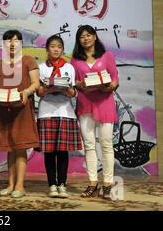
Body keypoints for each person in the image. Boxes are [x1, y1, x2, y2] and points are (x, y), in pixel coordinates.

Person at [70, 25, 119, 200]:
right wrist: (78, 85)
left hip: (105, 103)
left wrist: (111, 86)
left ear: (95, 37)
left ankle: (107, 184)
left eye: (89, 35)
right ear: (79, 40)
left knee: (106, 144)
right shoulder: (75, 60)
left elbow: (115, 79)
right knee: (89, 145)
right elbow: (73, 81)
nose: (86, 38)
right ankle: (92, 183)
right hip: (85, 104)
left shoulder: (107, 56)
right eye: (82, 36)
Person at [0, 30, 40, 198]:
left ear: (21, 43)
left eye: (15, 41)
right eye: (8, 41)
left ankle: (20, 185)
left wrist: (26, 92)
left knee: (20, 148)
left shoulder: (28, 60)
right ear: (4, 44)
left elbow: (35, 83)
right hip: (5, 110)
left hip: (22, 109)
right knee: (10, 148)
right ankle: (10, 184)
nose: (12, 44)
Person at [36, 35, 82, 198]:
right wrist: (50, 88)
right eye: (53, 46)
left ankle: (62, 184)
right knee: (49, 152)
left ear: (62, 50)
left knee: (63, 151)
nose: (56, 49)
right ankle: (52, 185)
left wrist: (65, 90)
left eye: (59, 46)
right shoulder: (41, 68)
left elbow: (73, 92)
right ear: (47, 48)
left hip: (65, 111)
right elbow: (39, 92)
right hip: (46, 111)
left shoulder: (69, 68)